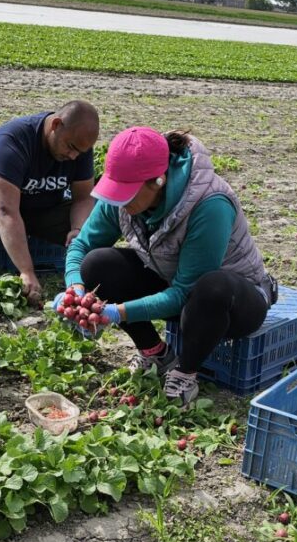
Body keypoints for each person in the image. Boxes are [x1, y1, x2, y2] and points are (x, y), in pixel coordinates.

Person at [58, 126, 276, 407]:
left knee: (212, 288)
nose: (120, 202)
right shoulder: (122, 198)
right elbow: (81, 246)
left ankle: (186, 372)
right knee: (98, 264)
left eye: (128, 194)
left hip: (232, 302)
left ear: (158, 181)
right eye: (116, 191)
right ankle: (156, 353)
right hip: (172, 279)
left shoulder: (209, 204)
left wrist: (116, 313)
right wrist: (75, 287)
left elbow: (185, 293)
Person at [0, 101, 100, 307]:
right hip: (0, 211)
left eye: (80, 152)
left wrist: (77, 229)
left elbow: (83, 197)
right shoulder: (13, 140)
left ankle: (79, 265)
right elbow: (6, 212)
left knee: (100, 211)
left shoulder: (79, 148)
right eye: (71, 147)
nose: (73, 156)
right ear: (56, 125)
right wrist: (27, 272)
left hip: (43, 211)